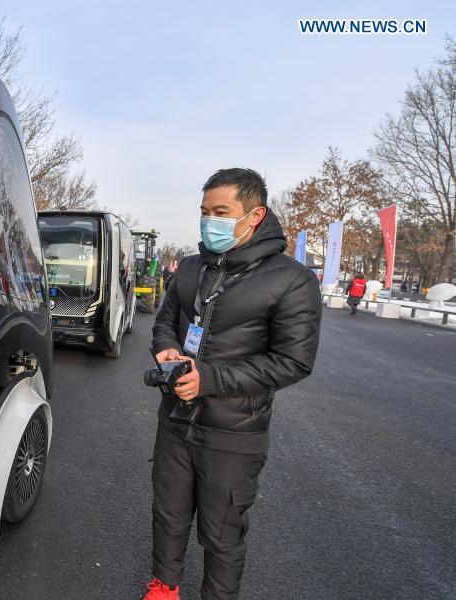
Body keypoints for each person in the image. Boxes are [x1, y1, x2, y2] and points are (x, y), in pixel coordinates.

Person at [143, 168, 322, 600]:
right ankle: (164, 587)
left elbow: (293, 361)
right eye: (204, 212)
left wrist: (210, 380)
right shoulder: (189, 267)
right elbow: (165, 322)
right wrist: (166, 350)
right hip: (175, 419)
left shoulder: (292, 279)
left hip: (234, 432)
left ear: (255, 215)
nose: (209, 221)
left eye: (221, 212)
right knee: (168, 515)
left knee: (222, 533)